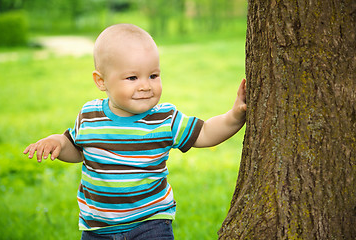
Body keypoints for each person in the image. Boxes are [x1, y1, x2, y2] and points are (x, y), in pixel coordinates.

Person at [23, 23, 247, 240]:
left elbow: (206, 133)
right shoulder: (90, 115)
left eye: (153, 76)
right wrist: (58, 143)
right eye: (132, 78)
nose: (145, 86)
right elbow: (78, 150)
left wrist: (235, 116)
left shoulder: (164, 119)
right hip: (97, 229)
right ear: (101, 81)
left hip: (150, 224)